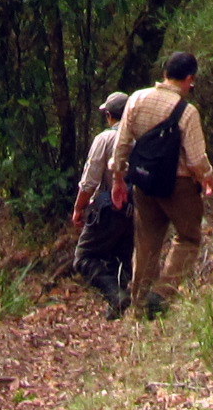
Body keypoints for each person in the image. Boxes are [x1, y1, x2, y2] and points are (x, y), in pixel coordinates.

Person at [110, 51, 213, 318]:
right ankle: (162, 293)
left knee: (146, 242)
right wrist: (207, 177)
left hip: (143, 182)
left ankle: (139, 306)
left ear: (165, 73)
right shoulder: (187, 112)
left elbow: (122, 144)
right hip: (178, 186)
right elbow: (196, 159)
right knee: (189, 237)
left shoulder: (137, 99)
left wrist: (118, 179)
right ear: (189, 79)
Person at [69, 90, 134, 315]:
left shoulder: (105, 139)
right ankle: (120, 306)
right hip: (137, 209)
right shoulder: (141, 138)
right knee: (122, 258)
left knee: (84, 258)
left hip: (108, 208)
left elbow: (90, 181)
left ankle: (117, 296)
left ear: (109, 115)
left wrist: (79, 208)